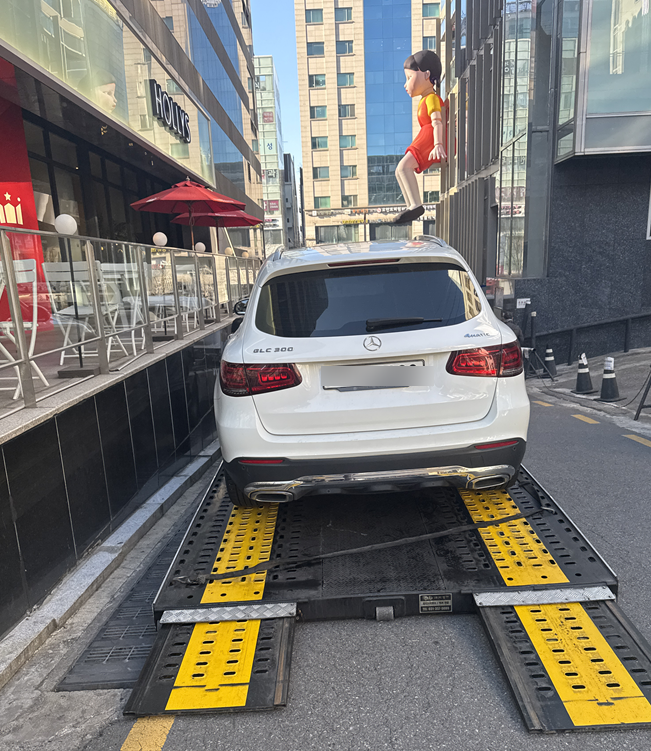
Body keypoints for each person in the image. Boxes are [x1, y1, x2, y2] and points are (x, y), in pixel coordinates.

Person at [394, 50, 446, 225]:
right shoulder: (425, 99)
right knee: (400, 170)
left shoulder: (432, 98)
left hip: (429, 139)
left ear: (426, 75)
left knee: (403, 168)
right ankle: (412, 205)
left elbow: (437, 121)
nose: (406, 84)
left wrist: (438, 144)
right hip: (426, 137)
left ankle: (415, 205)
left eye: (409, 77)